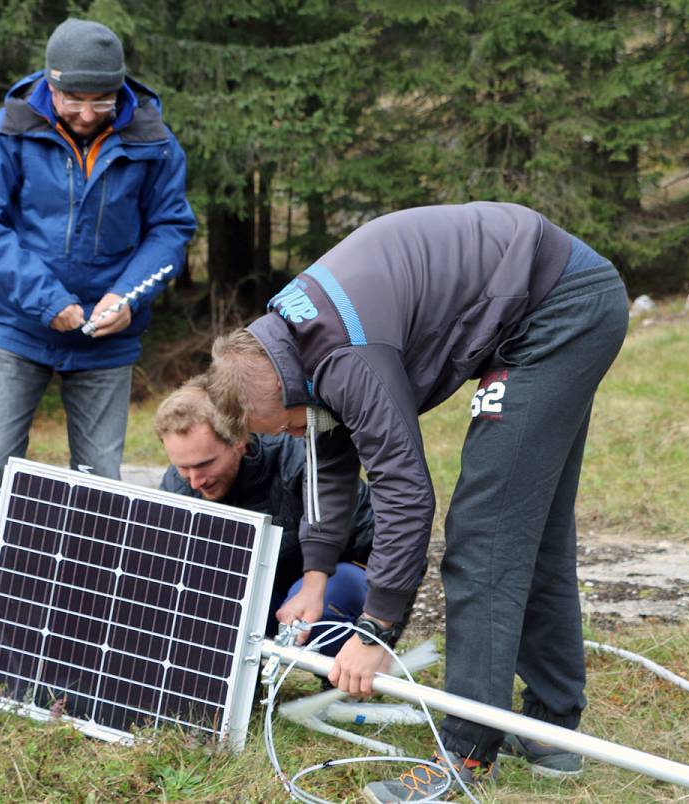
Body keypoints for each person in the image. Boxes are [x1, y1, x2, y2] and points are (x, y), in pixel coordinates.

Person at [205, 202, 628, 802]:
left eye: (288, 424)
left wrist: (375, 629)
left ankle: (465, 755)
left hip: (559, 309)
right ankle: (547, 732)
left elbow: (404, 493)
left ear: (289, 385)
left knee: (485, 533)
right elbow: (329, 448)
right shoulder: (290, 339)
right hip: (554, 298)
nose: (294, 434)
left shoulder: (346, 357)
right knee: (532, 533)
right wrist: (318, 576)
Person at [0, 17, 196, 662]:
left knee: (99, 481)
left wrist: (128, 295)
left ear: (119, 91)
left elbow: (170, 230)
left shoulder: (154, 139)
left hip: (109, 336)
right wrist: (48, 300)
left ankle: (85, 622)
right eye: (73, 99)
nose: (87, 113)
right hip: (18, 325)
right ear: (50, 86)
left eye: (101, 99)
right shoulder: (9, 129)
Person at [155, 377, 375, 657]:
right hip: (257, 597)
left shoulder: (299, 460)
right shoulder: (179, 487)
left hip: (330, 581)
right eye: (183, 468)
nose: (195, 481)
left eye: (205, 464)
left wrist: (378, 633)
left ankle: (340, 683)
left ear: (238, 440)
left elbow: (384, 549)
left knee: (331, 594)